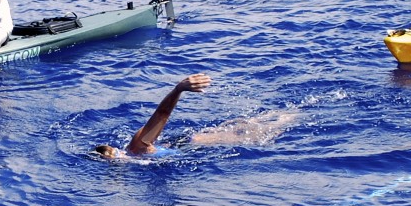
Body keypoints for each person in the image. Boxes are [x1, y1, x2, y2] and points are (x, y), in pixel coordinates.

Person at [94, 74, 298, 158]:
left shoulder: (138, 146)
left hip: (192, 143)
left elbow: (162, 114)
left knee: (259, 135)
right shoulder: (135, 150)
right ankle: (285, 115)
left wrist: (179, 89)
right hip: (185, 142)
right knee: (248, 127)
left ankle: (291, 116)